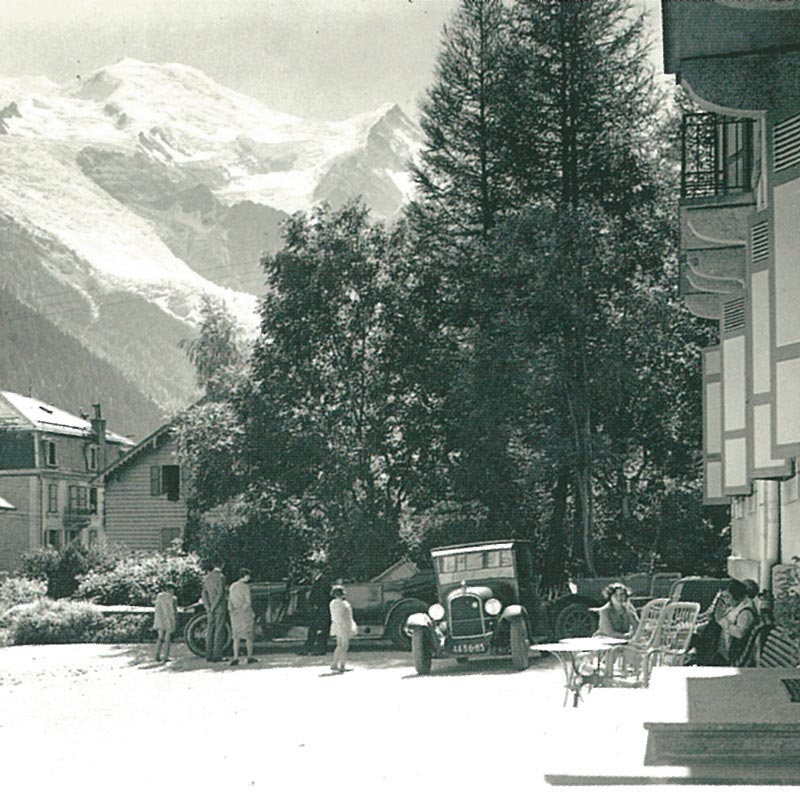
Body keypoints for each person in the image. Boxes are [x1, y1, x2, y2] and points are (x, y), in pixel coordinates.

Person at [717, 578, 759, 665]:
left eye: (727, 597)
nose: (726, 600)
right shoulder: (737, 605)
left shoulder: (746, 612)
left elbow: (740, 633)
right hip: (726, 650)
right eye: (724, 597)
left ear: (737, 596)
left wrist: (724, 622)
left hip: (735, 655)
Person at [228, 568, 257, 666]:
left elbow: (230, 601)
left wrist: (233, 611)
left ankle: (235, 657)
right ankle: (250, 657)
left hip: (235, 614)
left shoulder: (232, 586)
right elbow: (248, 602)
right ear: (245, 576)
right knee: (248, 637)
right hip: (245, 614)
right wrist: (244, 610)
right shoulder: (245, 587)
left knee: (236, 637)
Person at [201, 560, 227, 663]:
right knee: (219, 631)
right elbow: (220, 593)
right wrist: (214, 606)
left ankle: (208, 654)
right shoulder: (221, 577)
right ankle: (217, 655)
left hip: (209, 609)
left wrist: (208, 606)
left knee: (210, 631)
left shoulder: (207, 578)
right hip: (219, 608)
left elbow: (204, 593)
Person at [329, 584, 358, 673]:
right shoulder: (344, 604)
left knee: (339, 645)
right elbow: (347, 617)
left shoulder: (333, 603)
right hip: (344, 626)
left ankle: (334, 663)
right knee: (344, 646)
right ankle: (341, 665)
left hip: (337, 626)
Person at [303, 570, 331, 655]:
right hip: (318, 609)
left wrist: (316, 603)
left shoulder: (323, 581)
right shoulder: (318, 581)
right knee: (314, 629)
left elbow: (322, 595)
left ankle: (319, 648)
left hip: (321, 609)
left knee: (321, 629)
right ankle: (309, 648)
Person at [153, 581, 178, 662]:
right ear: (170, 589)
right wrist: (175, 620)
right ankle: (165, 656)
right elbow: (174, 611)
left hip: (159, 618)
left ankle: (157, 655)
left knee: (160, 638)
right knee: (167, 638)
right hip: (169, 619)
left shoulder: (159, 596)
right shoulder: (173, 598)